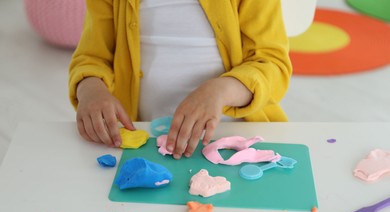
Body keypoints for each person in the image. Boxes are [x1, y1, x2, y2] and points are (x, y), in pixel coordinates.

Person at [68, 0, 292, 160]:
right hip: (147, 141)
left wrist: (221, 90)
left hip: (241, 137)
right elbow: (92, 57)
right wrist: (90, 89)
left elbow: (272, 63)